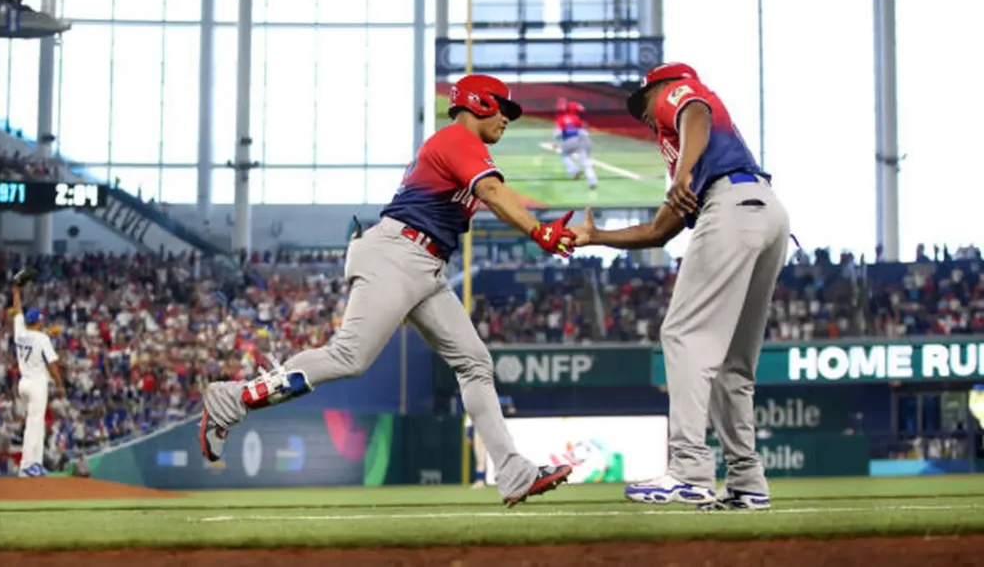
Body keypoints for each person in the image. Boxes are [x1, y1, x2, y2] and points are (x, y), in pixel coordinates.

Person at [201, 74, 576, 507]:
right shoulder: (456, 139)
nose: (507, 120)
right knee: (349, 357)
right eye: (503, 109)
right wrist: (539, 230)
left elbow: (483, 195)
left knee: (474, 363)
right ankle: (232, 399)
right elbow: (491, 191)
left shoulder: (459, 147)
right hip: (398, 253)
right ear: (480, 103)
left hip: (423, 264)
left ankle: (514, 474)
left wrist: (554, 233)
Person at [568, 62, 790, 511]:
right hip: (766, 213)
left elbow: (694, 111)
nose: (644, 116)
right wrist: (597, 237)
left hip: (730, 208)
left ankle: (689, 470)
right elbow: (658, 231)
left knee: (682, 335)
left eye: (642, 102)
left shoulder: (682, 95)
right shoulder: (693, 157)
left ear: (661, 87)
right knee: (732, 365)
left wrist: (684, 172)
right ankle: (748, 482)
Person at [11, 273, 65, 478]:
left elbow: (17, 311)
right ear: (39, 322)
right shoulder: (42, 338)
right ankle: (28, 466)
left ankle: (36, 463)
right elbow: (53, 365)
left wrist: (15, 291)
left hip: (23, 383)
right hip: (36, 384)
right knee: (35, 423)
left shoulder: (21, 332)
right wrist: (60, 385)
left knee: (36, 422)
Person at [554, 99, 598, 190]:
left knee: (565, 156)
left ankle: (574, 170)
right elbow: (584, 132)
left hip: (569, 141)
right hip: (583, 140)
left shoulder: (560, 119)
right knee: (585, 161)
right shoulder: (578, 119)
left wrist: (561, 139)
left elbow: (557, 135)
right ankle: (592, 180)